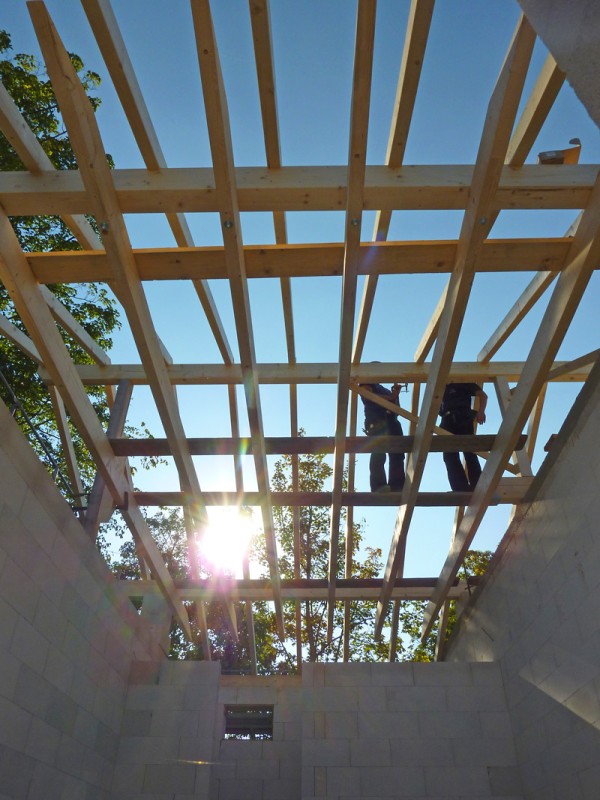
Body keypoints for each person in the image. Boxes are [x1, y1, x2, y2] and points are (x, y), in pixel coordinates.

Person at [439, 382, 488, 492]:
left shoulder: (464, 384)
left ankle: (477, 486)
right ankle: (460, 488)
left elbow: (483, 395)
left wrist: (481, 412)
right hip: (447, 420)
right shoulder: (440, 389)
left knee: (469, 452)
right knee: (449, 455)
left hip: (463, 417)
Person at [360, 381, 406, 493]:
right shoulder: (367, 382)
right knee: (378, 453)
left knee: (397, 455)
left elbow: (397, 409)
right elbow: (367, 396)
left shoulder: (384, 390)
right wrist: (392, 397)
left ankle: (397, 486)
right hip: (377, 421)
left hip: (392, 422)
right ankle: (378, 486)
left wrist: (395, 395)